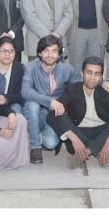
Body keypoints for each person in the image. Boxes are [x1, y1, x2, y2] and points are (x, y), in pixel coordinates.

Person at [47, 56, 109, 168]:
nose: (92, 77)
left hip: (101, 133)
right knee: (59, 112)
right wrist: (74, 138)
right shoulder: (72, 89)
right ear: (82, 74)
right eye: (89, 73)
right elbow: (51, 115)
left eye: (96, 74)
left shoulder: (106, 91)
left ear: (101, 77)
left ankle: (85, 153)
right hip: (78, 133)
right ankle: (98, 152)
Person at [21, 35, 82, 163]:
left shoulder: (67, 70)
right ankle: (35, 147)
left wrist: (102, 83)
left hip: (54, 116)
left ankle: (33, 134)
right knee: (32, 104)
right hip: (34, 113)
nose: (50, 55)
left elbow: (82, 85)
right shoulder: (30, 67)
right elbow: (25, 91)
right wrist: (50, 102)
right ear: (39, 53)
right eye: (46, 51)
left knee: (50, 144)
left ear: (59, 54)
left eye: (54, 51)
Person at [0, 36, 25, 114]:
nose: (7, 54)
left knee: (16, 109)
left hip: (10, 102)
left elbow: (21, 95)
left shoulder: (20, 69)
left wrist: (6, 98)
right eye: (3, 51)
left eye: (11, 51)